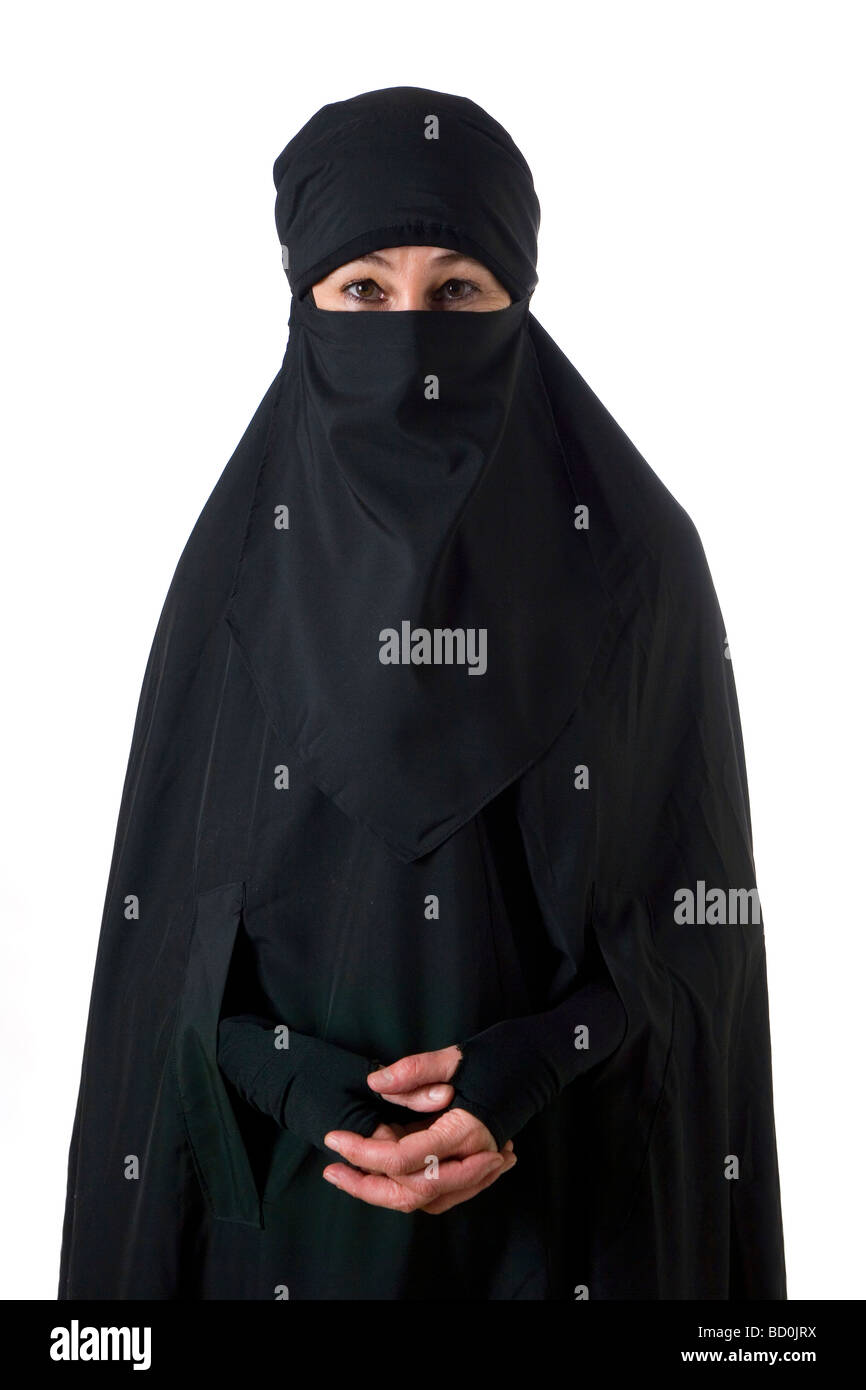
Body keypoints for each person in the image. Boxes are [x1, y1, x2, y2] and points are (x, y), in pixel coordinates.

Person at [58, 85, 786, 1300]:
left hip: (565, 1214)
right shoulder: (236, 575)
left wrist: (531, 1067)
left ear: (519, 300)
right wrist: (298, 1083)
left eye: (455, 292)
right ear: (303, 304)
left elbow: (695, 936)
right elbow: (165, 954)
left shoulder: (635, 564)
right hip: (293, 1214)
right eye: (363, 291)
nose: (410, 342)